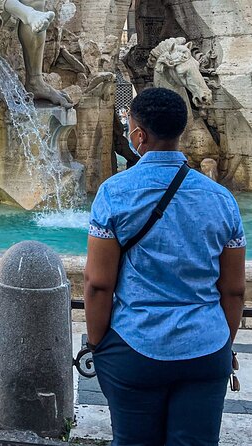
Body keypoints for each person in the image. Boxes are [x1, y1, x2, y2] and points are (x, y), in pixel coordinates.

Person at [84, 87, 245, 445]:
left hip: (135, 343)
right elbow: (234, 289)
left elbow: (98, 284)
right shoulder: (222, 200)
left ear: (139, 135)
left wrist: (99, 344)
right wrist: (223, 343)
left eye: (130, 128)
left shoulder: (114, 193)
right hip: (206, 346)